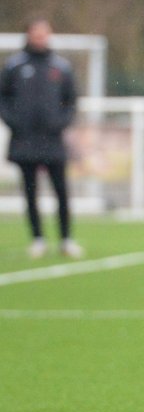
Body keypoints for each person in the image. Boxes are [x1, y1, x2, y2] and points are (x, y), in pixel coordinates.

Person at [1, 17, 84, 259]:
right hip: (24, 140)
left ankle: (66, 239)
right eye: (36, 33)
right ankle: (37, 239)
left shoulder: (61, 67)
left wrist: (60, 123)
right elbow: (3, 98)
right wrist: (14, 122)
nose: (41, 37)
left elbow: (71, 101)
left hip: (53, 140)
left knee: (61, 191)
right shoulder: (14, 66)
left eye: (44, 33)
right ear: (28, 35)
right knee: (30, 192)